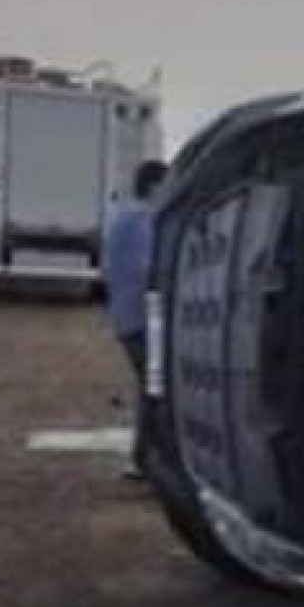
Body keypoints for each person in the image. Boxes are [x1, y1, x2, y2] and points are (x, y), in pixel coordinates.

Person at [105, 160, 170, 481]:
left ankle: (144, 457)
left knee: (149, 386)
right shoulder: (142, 221)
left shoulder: (122, 218)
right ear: (155, 187)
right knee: (155, 387)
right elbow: (149, 269)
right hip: (142, 318)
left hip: (126, 315)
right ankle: (146, 459)